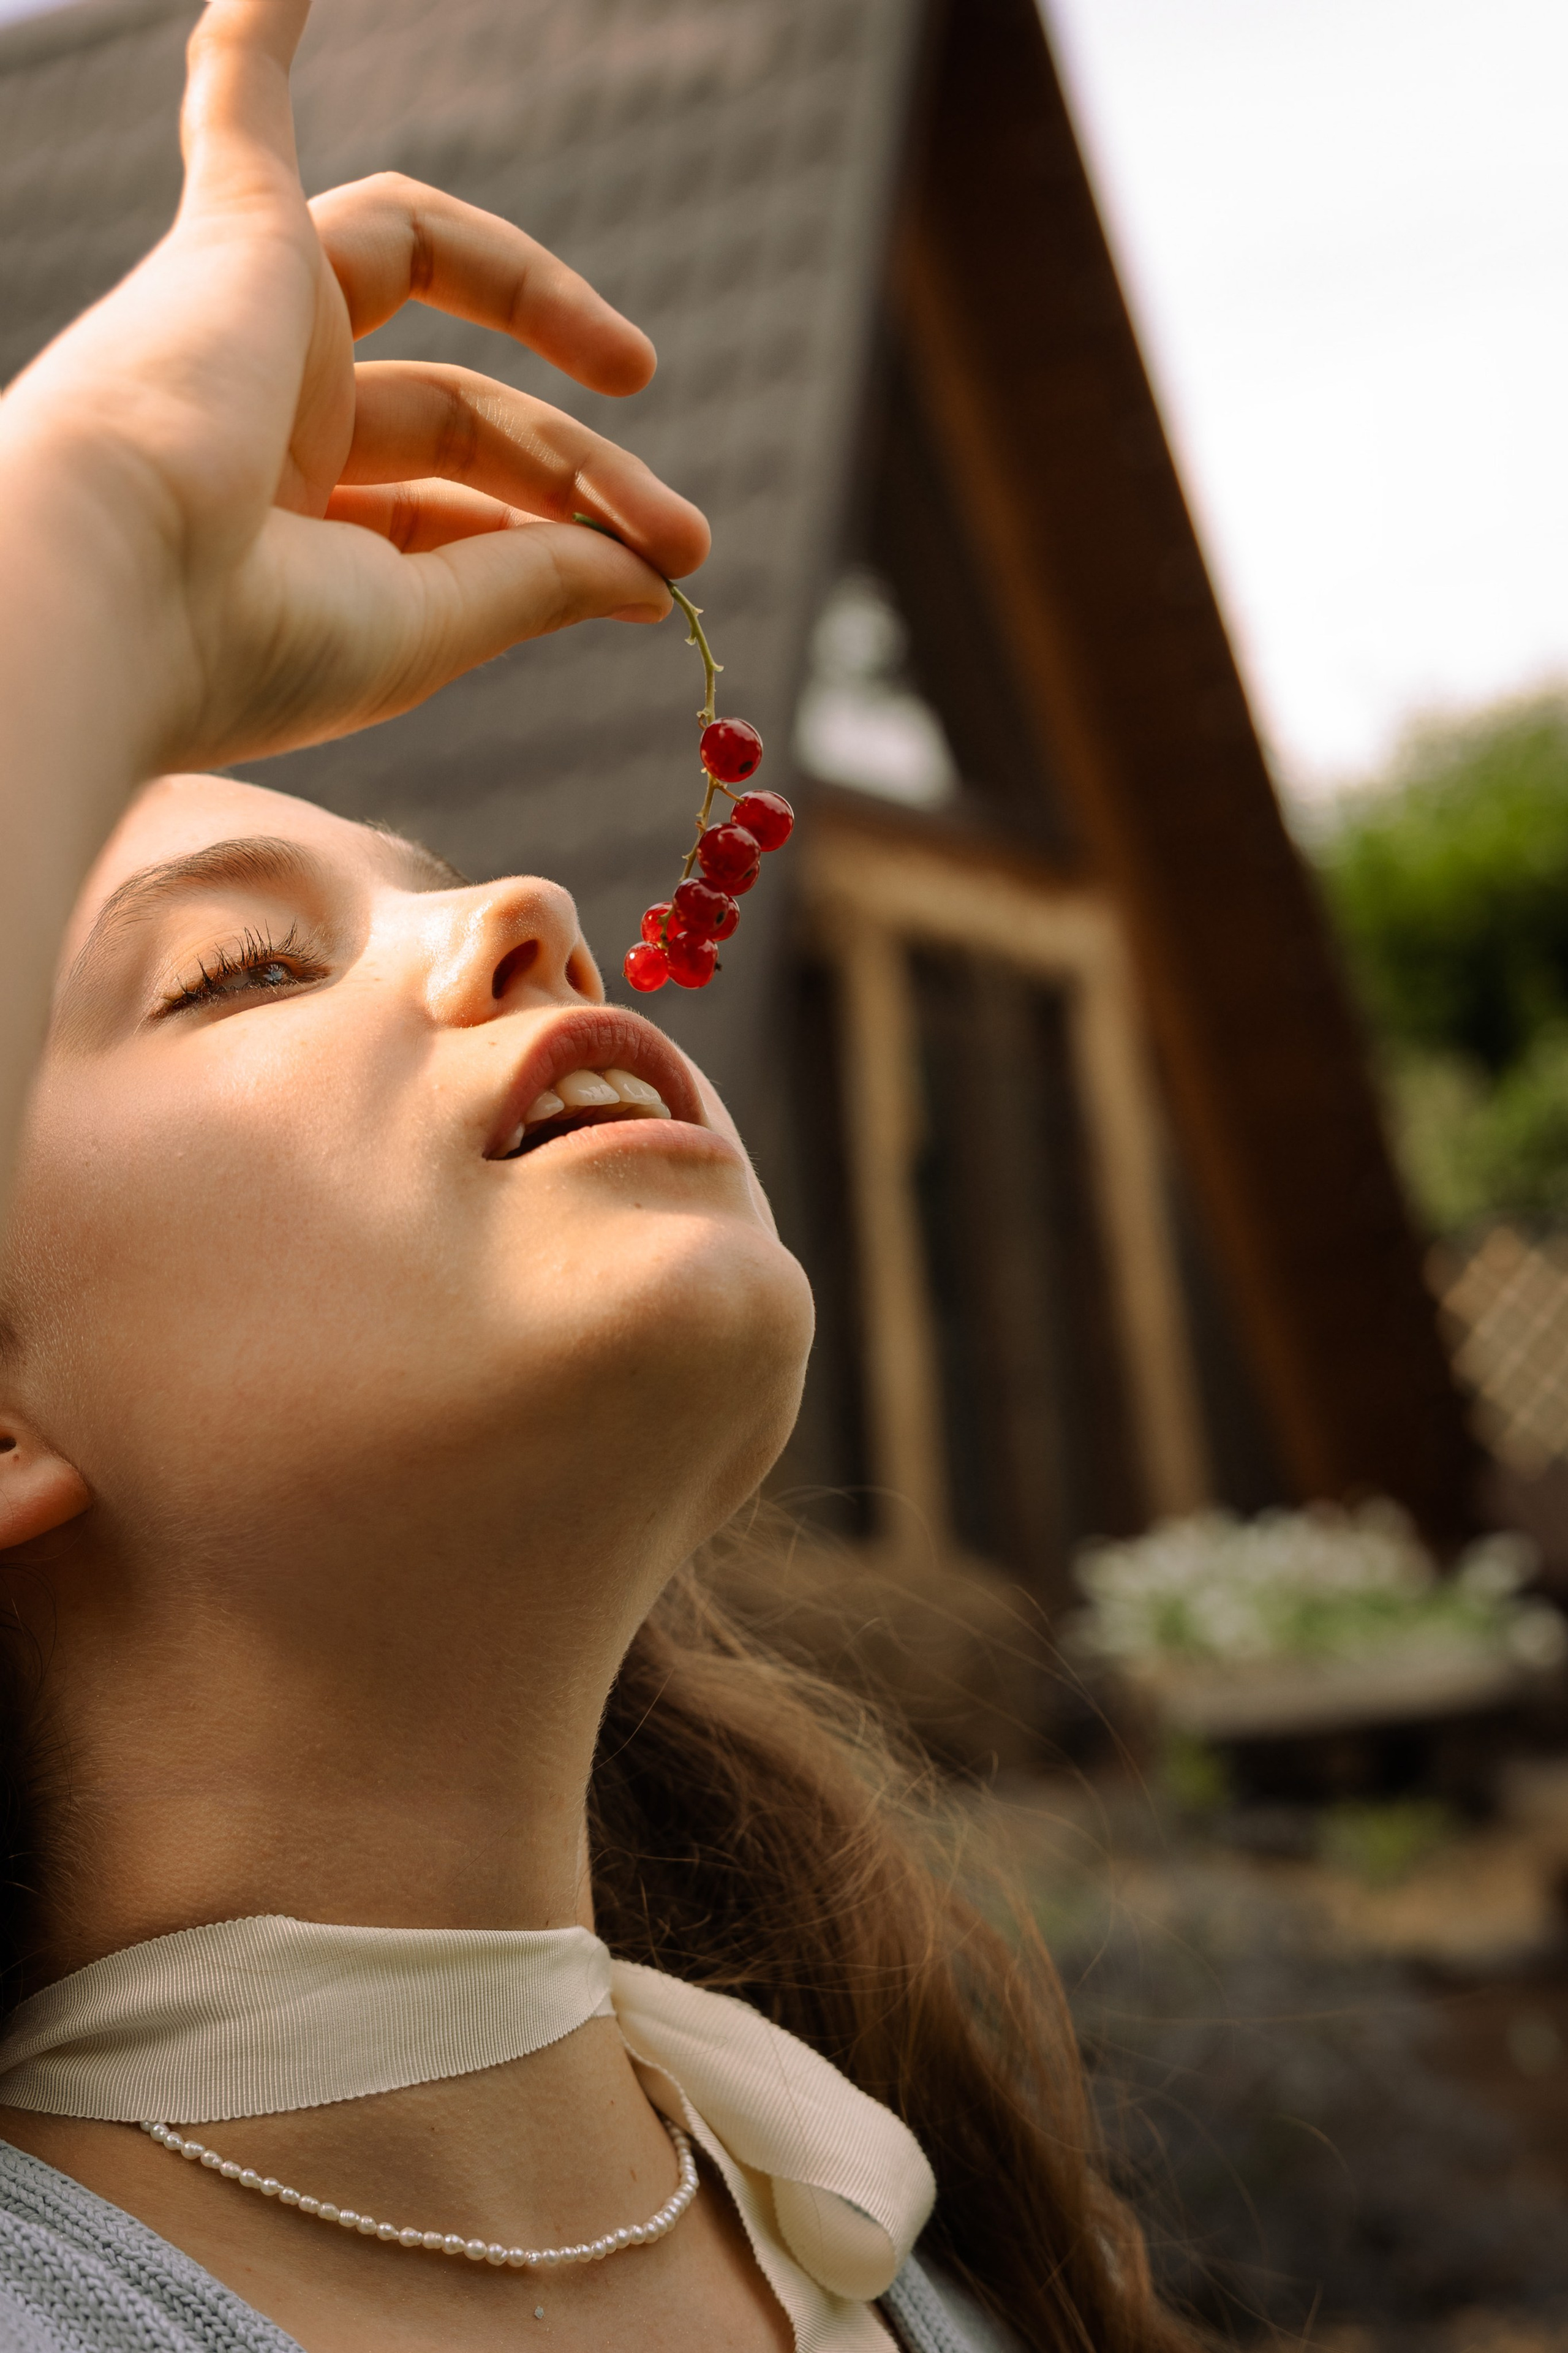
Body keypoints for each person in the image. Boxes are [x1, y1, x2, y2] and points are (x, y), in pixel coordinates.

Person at [0, 5, 1198, 2349]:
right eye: (241, 972)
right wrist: (88, 532)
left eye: (427, 871)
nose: (507, 910)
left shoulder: (897, 2256)